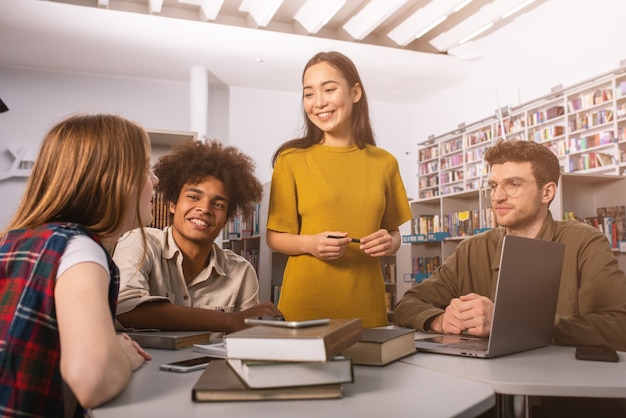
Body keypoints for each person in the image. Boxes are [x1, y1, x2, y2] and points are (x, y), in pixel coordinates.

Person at [394, 139, 626, 418]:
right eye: (493, 186)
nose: (498, 197)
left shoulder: (585, 241)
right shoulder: (472, 248)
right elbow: (408, 304)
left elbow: (619, 325)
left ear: (547, 192)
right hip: (485, 393)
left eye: (513, 184)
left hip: (567, 398)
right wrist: (439, 320)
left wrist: (508, 322)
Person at [0, 114, 154, 418]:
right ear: (112, 180)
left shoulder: (13, 240)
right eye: (147, 169)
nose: (156, 180)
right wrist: (122, 354)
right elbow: (91, 379)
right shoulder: (79, 249)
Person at [266, 51, 412, 328]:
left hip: (366, 306)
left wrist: (390, 242)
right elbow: (274, 237)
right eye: (309, 94)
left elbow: (393, 233)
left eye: (329, 89)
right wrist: (309, 244)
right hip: (305, 307)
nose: (318, 102)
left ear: (355, 92)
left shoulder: (385, 162)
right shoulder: (291, 159)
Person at [113, 139, 281, 334]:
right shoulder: (139, 242)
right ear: (173, 204)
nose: (204, 209)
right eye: (193, 197)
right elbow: (126, 308)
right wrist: (229, 320)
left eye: (218, 204)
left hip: (213, 365)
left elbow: (246, 335)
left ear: (227, 217)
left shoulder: (241, 272)